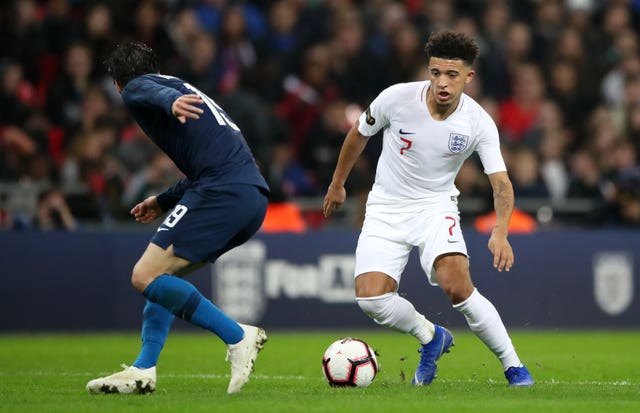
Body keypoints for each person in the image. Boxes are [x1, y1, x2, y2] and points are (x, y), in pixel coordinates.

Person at [323, 30, 534, 387]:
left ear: (469, 76)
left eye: (452, 75)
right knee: (371, 300)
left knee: (457, 286)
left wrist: (501, 230)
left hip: (435, 206)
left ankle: (514, 367)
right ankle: (431, 336)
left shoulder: (478, 122)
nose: (442, 82)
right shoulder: (396, 98)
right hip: (386, 206)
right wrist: (337, 183)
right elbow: (358, 134)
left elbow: (501, 183)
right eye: (436, 72)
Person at [86, 42, 270, 395]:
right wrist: (163, 199)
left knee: (143, 275)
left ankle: (238, 336)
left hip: (223, 192)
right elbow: (209, 164)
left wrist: (166, 103)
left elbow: (143, 87)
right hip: (248, 196)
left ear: (116, 84)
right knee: (161, 279)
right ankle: (143, 369)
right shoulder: (181, 85)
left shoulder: (140, 88)